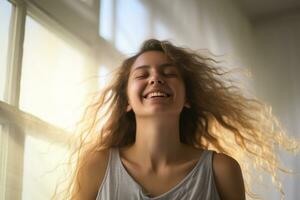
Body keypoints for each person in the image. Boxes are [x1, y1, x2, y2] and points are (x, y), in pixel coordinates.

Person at [63, 39, 298, 200]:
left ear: (188, 98)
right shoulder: (97, 165)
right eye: (142, 74)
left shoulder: (222, 170)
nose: (155, 78)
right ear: (126, 101)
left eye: (169, 73)